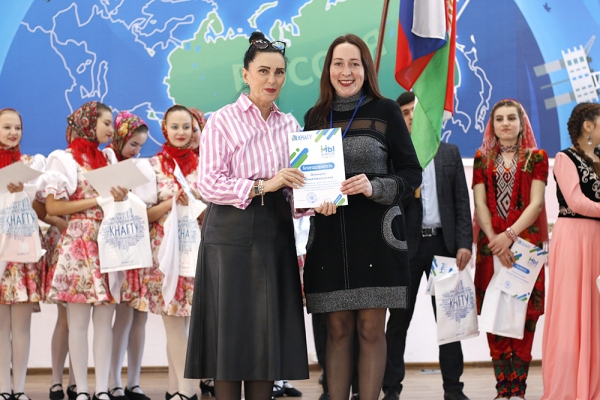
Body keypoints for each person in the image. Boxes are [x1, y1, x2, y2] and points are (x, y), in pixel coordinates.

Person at [184, 31, 309, 400]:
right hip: (230, 234)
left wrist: (317, 200)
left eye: (280, 72)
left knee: (265, 336)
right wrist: (263, 186)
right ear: (245, 74)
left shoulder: (291, 126)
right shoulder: (222, 120)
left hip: (276, 233)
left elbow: (294, 192)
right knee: (231, 335)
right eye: (264, 71)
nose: (272, 80)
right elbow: (208, 184)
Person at [302, 34, 421, 400]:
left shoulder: (386, 111)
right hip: (329, 237)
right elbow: (306, 181)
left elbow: (411, 173)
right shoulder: (314, 117)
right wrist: (312, 200)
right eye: (338, 63)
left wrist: (375, 186)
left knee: (371, 330)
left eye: (354, 64)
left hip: (377, 237)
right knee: (337, 330)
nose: (346, 71)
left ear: (366, 69)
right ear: (328, 70)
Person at [382, 92, 472, 400]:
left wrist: (464, 244)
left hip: (444, 246)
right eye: (404, 113)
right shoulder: (394, 157)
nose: (410, 117)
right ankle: (391, 389)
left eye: (414, 112)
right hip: (406, 247)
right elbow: (390, 203)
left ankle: (453, 389)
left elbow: (461, 202)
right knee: (398, 323)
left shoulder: (449, 152)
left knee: (450, 322)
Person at [41, 101, 127, 400]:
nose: (110, 129)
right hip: (78, 242)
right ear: (89, 123)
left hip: (108, 241)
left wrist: (120, 196)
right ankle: (81, 390)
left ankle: (102, 389)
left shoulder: (109, 158)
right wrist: (97, 200)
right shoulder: (63, 159)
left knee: (105, 322)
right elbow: (53, 207)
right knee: (77, 324)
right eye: (106, 123)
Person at [472, 99, 548, 399]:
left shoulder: (536, 158)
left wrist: (510, 235)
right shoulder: (482, 159)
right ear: (492, 125)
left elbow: (536, 203)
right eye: (499, 119)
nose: (505, 123)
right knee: (495, 314)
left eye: (511, 118)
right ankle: (503, 389)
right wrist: (495, 239)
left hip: (525, 248)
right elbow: (480, 204)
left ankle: (519, 390)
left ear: (521, 123)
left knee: (524, 315)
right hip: (492, 248)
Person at [133, 105, 200, 400]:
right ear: (164, 129)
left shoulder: (204, 166)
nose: (181, 132)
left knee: (185, 325)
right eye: (175, 126)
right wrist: (172, 201)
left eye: (186, 127)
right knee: (173, 323)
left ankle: (180, 389)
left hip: (195, 251)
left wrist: (193, 202)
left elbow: (212, 210)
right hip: (165, 253)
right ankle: (184, 390)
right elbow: (145, 215)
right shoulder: (152, 166)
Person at [541, 102, 600, 399]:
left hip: (596, 237)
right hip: (574, 237)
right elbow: (576, 202)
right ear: (588, 125)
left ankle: (592, 384)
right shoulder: (566, 158)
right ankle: (568, 387)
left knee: (593, 309)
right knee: (571, 309)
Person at [103, 111, 152, 400]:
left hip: (135, 246)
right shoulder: (105, 160)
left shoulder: (140, 168)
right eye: (133, 144)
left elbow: (146, 203)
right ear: (120, 136)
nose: (135, 150)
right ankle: (112, 382)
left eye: (141, 146)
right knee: (113, 319)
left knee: (135, 318)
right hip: (112, 248)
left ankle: (132, 381)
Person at [0, 108, 46, 400]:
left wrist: (24, 192)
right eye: (6, 127)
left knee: (21, 326)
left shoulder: (30, 165)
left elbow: (42, 208)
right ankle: (2, 388)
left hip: (22, 253)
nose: (13, 133)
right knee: (1, 328)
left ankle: (19, 389)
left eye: (17, 128)